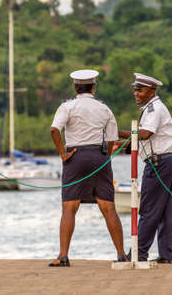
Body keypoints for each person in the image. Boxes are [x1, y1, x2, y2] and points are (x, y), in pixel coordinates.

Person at [49, 69, 128, 267]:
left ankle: (63, 256)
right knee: (108, 207)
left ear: (75, 87)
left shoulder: (67, 106)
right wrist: (106, 157)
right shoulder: (104, 109)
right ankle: (121, 254)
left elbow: (54, 129)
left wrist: (62, 153)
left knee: (69, 207)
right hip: (99, 156)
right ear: (93, 87)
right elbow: (112, 138)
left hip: (74, 157)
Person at [117, 73, 172, 263]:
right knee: (165, 212)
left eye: (140, 90)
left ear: (152, 91)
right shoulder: (152, 108)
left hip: (160, 164)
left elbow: (144, 134)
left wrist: (115, 132)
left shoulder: (154, 109)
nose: (136, 93)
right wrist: (122, 144)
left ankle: (138, 254)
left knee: (149, 211)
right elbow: (146, 139)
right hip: (167, 161)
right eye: (135, 89)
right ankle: (168, 256)